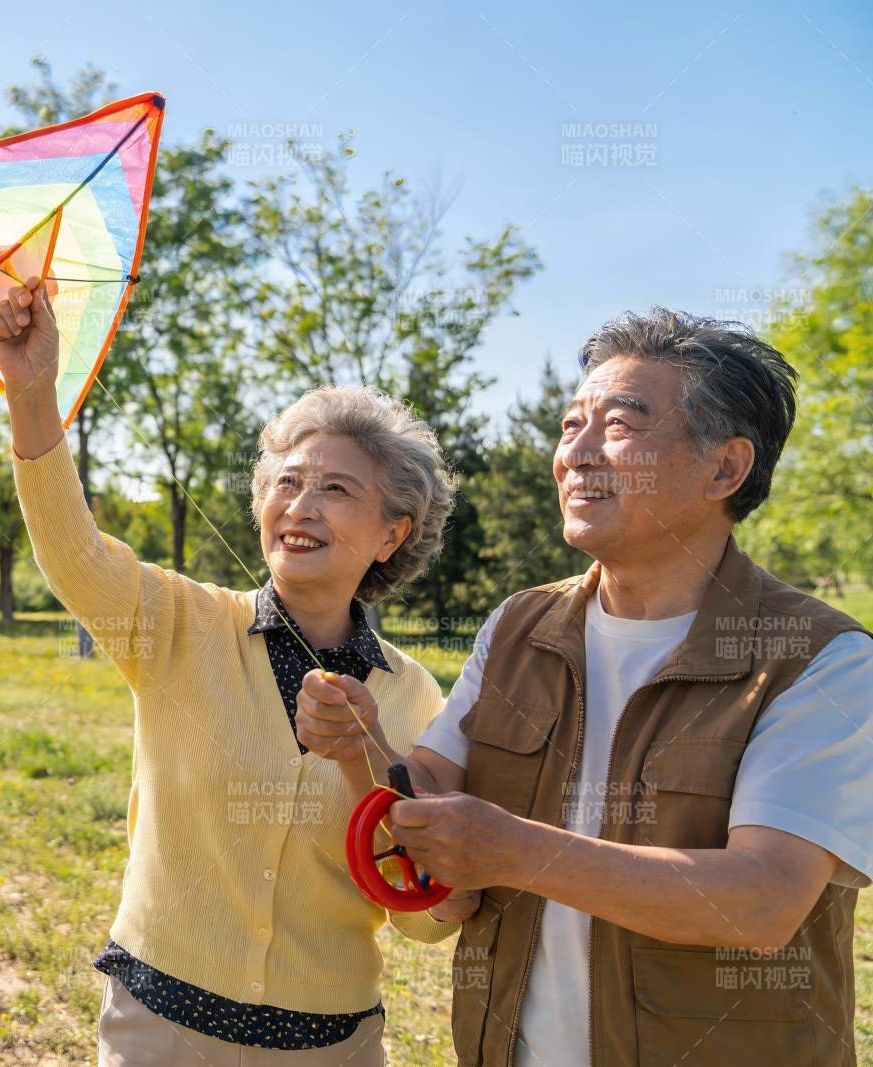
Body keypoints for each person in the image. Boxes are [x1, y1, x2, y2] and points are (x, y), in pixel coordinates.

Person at [297, 308, 873, 1066]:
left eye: (621, 425)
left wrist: (514, 850)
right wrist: (361, 744)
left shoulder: (821, 658)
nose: (578, 452)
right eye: (572, 424)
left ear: (725, 468)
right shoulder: (519, 624)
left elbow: (762, 899)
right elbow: (429, 788)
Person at [0, 275, 469, 1064]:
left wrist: (365, 755)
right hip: (157, 1034)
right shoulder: (180, 623)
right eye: (287, 482)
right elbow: (71, 552)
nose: (301, 504)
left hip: (330, 1047)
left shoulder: (412, 692)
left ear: (392, 533)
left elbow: (424, 914)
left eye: (337, 488)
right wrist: (32, 389)